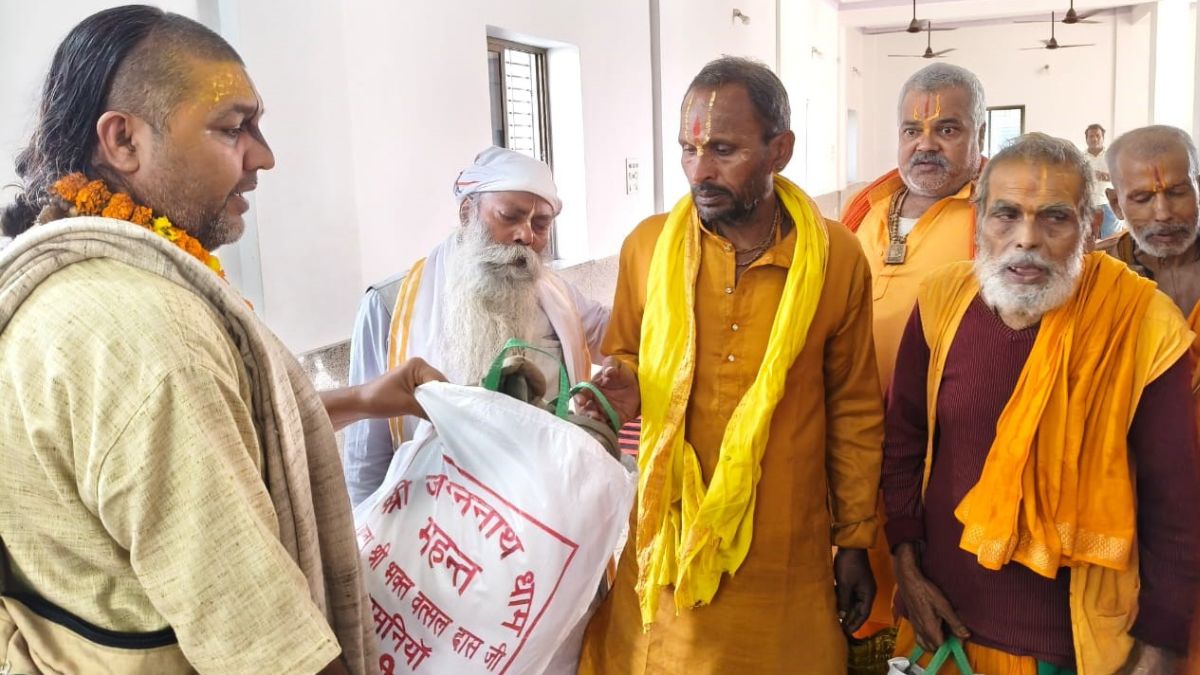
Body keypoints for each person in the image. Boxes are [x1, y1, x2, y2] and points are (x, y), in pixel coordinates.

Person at [0, 7, 441, 673]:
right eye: (234, 127)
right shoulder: (147, 334)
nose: (264, 156)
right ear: (123, 141)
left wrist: (364, 399)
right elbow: (265, 647)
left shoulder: (72, 285)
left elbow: (216, 442)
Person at [577, 56, 883, 674]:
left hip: (783, 553)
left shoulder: (837, 259)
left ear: (780, 150)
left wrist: (854, 541)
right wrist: (621, 384)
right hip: (667, 546)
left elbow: (853, 406)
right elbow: (628, 356)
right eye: (688, 150)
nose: (700, 171)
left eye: (723, 149)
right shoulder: (647, 247)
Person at [882, 132, 1199, 674]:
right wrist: (906, 567)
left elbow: (1175, 504)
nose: (1026, 238)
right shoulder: (940, 300)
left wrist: (1159, 649)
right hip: (940, 631)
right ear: (978, 220)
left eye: (1055, 218)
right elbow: (905, 443)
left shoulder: (1140, 322)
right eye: (1006, 214)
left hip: (1076, 645)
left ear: (1089, 225)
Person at [341, 146, 609, 505]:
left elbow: (620, 333)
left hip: (542, 513)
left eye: (540, 224)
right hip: (435, 522)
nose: (525, 235)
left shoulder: (556, 295)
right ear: (468, 213)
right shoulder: (390, 305)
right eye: (509, 216)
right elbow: (366, 458)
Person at [840, 62, 987, 640]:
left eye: (947, 130)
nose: (924, 144)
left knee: (930, 602)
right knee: (852, 589)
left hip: (941, 449)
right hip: (853, 442)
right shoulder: (864, 210)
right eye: (911, 130)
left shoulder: (995, 216)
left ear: (979, 137)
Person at [1101, 124, 1200, 675]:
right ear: (1115, 201)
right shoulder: (1095, 279)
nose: (1162, 214)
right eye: (1142, 197)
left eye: (1177, 192)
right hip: (1129, 527)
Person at [1085, 123, 1119, 237]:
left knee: (1111, 238)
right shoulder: (1080, 158)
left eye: (1098, 136)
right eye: (1091, 136)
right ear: (1086, 139)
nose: (1094, 139)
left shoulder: (1112, 156)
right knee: (1087, 240)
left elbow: (1122, 177)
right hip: (1087, 204)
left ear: (1103, 138)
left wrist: (1106, 176)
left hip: (1108, 204)